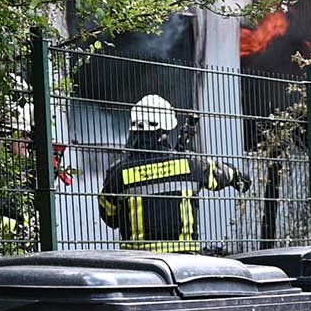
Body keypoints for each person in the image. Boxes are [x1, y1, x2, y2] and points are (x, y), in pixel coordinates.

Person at [98, 94, 252, 253]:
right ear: (166, 128)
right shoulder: (191, 163)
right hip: (184, 260)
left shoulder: (118, 172)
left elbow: (110, 218)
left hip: (140, 263)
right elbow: (220, 175)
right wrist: (237, 176)